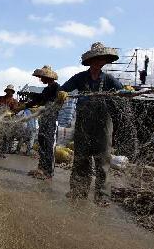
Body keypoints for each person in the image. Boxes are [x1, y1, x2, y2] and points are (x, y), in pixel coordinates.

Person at [60, 42, 124, 206]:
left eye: (101, 59)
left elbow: (122, 90)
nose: (98, 61)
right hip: (84, 122)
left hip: (103, 123)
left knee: (103, 159)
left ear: (104, 61)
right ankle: (78, 191)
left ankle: (101, 196)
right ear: (90, 61)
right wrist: (62, 93)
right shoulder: (79, 77)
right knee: (81, 158)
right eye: (95, 59)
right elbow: (64, 88)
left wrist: (127, 90)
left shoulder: (109, 80)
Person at [24, 65, 66, 179]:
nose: (40, 79)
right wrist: (24, 106)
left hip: (52, 119)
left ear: (47, 77)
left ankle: (48, 172)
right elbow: (39, 100)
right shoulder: (47, 89)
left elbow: (60, 102)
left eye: (42, 77)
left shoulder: (57, 87)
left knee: (49, 145)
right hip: (44, 119)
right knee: (42, 143)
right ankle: (41, 168)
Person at [0, 84, 21, 158]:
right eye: (8, 91)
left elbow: (16, 111)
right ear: (6, 91)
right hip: (0, 119)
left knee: (6, 137)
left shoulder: (14, 101)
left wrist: (11, 112)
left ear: (12, 92)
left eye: (11, 91)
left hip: (9, 121)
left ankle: (2, 153)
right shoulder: (1, 98)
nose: (9, 92)